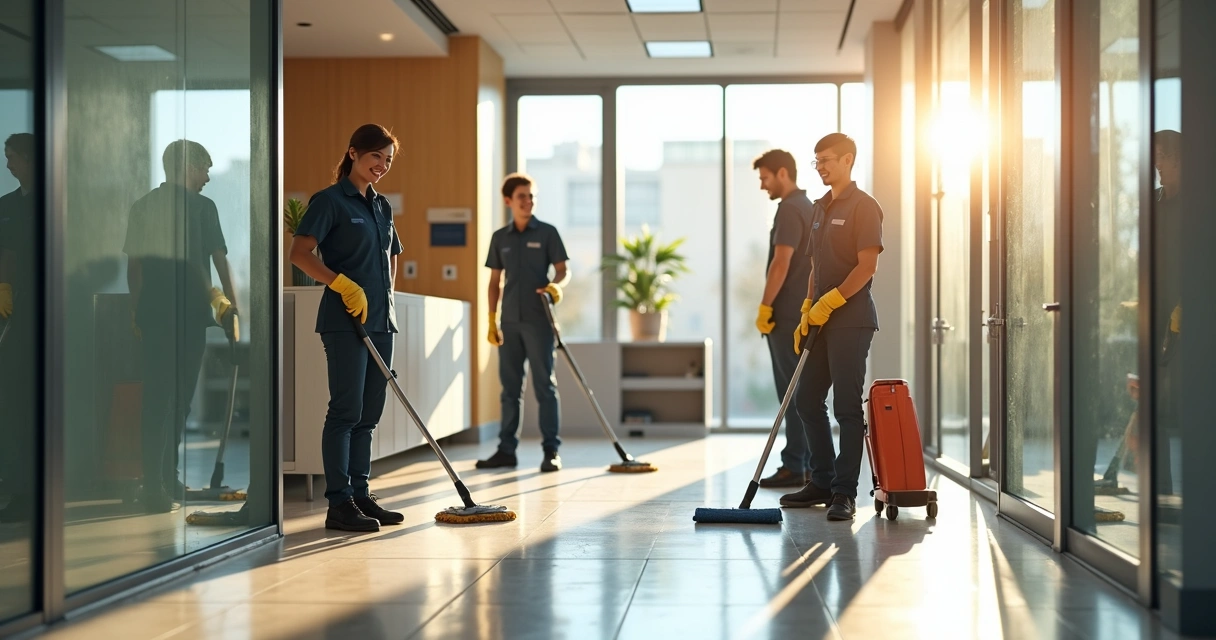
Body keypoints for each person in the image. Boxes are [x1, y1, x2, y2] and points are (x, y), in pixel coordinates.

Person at [290, 124, 406, 532]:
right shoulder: (330, 201)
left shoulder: (382, 206)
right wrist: (339, 283)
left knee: (369, 416)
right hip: (343, 322)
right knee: (345, 411)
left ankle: (360, 494)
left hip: (380, 322)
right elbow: (300, 253)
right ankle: (338, 504)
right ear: (354, 153)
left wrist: (386, 295)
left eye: (388, 160)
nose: (382, 166)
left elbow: (392, 256)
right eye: (376, 156)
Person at [124, 140, 239, 513]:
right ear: (188, 167)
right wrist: (231, 308)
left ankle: (161, 480)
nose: (207, 177)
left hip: (155, 315)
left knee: (159, 400)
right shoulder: (204, 208)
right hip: (189, 315)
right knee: (177, 400)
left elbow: (135, 268)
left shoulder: (143, 206)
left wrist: (136, 310)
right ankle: (159, 481)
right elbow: (220, 261)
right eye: (203, 169)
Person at [779, 133, 884, 521]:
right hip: (821, 321)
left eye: (826, 160)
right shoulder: (820, 207)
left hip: (851, 321)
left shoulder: (864, 207)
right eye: (816, 161)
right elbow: (813, 267)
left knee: (846, 407)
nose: (820, 167)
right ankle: (821, 481)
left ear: (847, 160)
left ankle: (844, 493)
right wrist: (809, 308)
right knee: (807, 399)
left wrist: (831, 301)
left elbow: (867, 266)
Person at [477, 173, 570, 473]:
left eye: (531, 196)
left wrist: (557, 287)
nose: (528, 201)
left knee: (545, 386)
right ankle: (506, 450)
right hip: (510, 323)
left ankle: (551, 451)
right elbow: (494, 283)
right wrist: (491, 319)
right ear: (508, 201)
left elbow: (562, 270)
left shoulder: (547, 233)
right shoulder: (499, 238)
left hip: (539, 321)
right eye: (522, 197)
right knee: (509, 390)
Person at [751, 149, 817, 489]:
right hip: (799, 312)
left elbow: (781, 263)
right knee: (801, 390)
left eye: (764, 178)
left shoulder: (790, 210)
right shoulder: (807, 207)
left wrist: (765, 307)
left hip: (786, 313)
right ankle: (803, 463)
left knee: (791, 392)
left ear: (782, 173)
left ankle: (795, 465)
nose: (763, 186)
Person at [0, 133, 36, 523]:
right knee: (12, 400)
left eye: (12, 157)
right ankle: (17, 484)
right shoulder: (6, 206)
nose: (8, 164)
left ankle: (36, 485)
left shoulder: (55, 201)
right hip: (11, 313)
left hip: (48, 311)